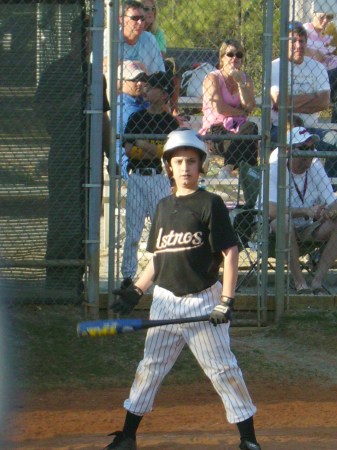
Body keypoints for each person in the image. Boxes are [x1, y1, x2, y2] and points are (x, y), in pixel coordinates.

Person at [105, 129, 261, 450]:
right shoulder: (163, 207)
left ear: (201, 166)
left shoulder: (210, 203)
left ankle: (249, 440)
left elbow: (229, 252)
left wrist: (227, 300)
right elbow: (158, 259)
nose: (185, 168)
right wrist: (136, 290)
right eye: (179, 162)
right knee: (150, 367)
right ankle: (128, 436)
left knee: (223, 369)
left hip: (203, 300)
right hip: (164, 300)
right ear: (169, 167)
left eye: (192, 161)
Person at [35, 15, 110, 297]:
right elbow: (42, 112)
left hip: (90, 159)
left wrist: (109, 154)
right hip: (65, 153)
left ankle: (79, 280)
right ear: (71, 37)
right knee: (62, 216)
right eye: (81, 35)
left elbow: (102, 116)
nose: (86, 41)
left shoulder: (95, 75)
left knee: (87, 218)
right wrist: (74, 104)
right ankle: (55, 279)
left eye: (91, 35)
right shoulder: (56, 71)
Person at [120, 72, 180, 289]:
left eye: (152, 87)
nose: (146, 89)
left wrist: (144, 145)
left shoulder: (169, 123)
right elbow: (128, 150)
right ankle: (128, 276)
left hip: (158, 178)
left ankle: (161, 274)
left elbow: (168, 154)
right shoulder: (137, 118)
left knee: (162, 229)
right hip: (136, 176)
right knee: (133, 231)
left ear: (163, 94)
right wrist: (154, 149)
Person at [268, 126, 337, 294]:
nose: (308, 154)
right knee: (283, 221)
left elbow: (332, 202)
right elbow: (270, 210)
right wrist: (306, 211)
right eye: (303, 148)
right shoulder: (276, 166)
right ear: (289, 150)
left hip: (307, 228)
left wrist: (328, 211)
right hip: (273, 229)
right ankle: (300, 284)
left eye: (311, 148)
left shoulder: (315, 165)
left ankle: (317, 281)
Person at [270, 22, 337, 177]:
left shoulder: (317, 67)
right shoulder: (276, 66)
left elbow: (324, 102)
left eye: (302, 41)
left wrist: (290, 102)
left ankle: (328, 185)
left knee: (334, 139)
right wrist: (312, 98)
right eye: (293, 41)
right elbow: (280, 102)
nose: (298, 45)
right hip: (282, 128)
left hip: (311, 129)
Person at [199, 38, 258, 179]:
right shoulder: (212, 78)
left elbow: (250, 106)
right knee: (248, 145)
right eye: (230, 54)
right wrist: (241, 112)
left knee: (251, 128)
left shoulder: (246, 79)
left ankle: (228, 167)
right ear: (222, 58)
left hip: (240, 128)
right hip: (216, 129)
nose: (234, 58)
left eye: (239, 55)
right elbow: (219, 108)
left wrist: (240, 83)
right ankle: (252, 180)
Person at [117, 60, 149, 179]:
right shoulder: (123, 107)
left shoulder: (143, 103)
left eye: (142, 78)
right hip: (128, 164)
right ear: (122, 81)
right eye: (134, 79)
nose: (140, 83)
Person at [303, 12, 337, 121]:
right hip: (312, 73)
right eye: (322, 16)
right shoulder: (306, 29)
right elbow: (294, 45)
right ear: (314, 14)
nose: (326, 20)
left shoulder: (328, 35)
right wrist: (314, 52)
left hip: (328, 73)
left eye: (329, 17)